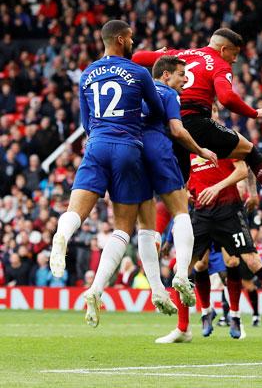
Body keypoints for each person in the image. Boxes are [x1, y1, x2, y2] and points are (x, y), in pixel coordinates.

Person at [49, 20, 165, 327]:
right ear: (120, 39)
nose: (133, 41)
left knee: (77, 210)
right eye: (130, 37)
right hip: (127, 147)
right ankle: (102, 288)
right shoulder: (139, 73)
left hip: (96, 144)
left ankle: (62, 235)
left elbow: (85, 122)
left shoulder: (87, 73)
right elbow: (156, 111)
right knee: (124, 226)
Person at [131, 28, 262, 223]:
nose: (234, 60)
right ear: (224, 49)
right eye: (234, 54)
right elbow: (226, 97)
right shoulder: (219, 64)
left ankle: (159, 235)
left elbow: (138, 57)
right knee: (250, 152)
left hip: (165, 123)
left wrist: (157, 54)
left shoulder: (180, 54)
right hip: (194, 121)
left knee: (178, 185)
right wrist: (254, 113)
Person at [156, 155, 262, 344]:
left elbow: (243, 168)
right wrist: (186, 190)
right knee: (180, 270)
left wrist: (226, 189)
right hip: (201, 212)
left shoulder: (221, 139)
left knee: (251, 261)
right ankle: (183, 328)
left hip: (228, 211)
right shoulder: (186, 147)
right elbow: (182, 179)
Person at [133, 55, 217, 315]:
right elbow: (178, 131)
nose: (186, 79)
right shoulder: (168, 94)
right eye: (182, 74)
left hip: (133, 155)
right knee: (181, 213)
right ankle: (181, 274)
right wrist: (201, 150)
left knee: (143, 228)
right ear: (166, 75)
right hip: (161, 155)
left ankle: (156, 288)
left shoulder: (134, 92)